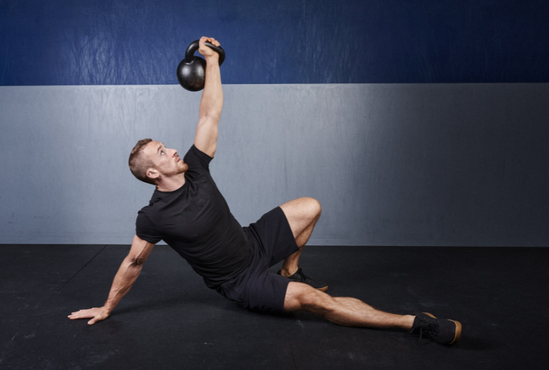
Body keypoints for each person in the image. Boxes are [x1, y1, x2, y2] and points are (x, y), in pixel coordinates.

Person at [68, 37, 462, 345]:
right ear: (153, 172)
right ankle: (415, 323)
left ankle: (292, 270)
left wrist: (212, 61)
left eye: (166, 145)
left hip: (252, 242)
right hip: (241, 282)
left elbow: (210, 113)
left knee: (310, 206)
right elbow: (133, 264)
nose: (172, 149)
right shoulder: (152, 216)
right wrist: (106, 307)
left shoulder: (195, 168)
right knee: (314, 303)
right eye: (162, 152)